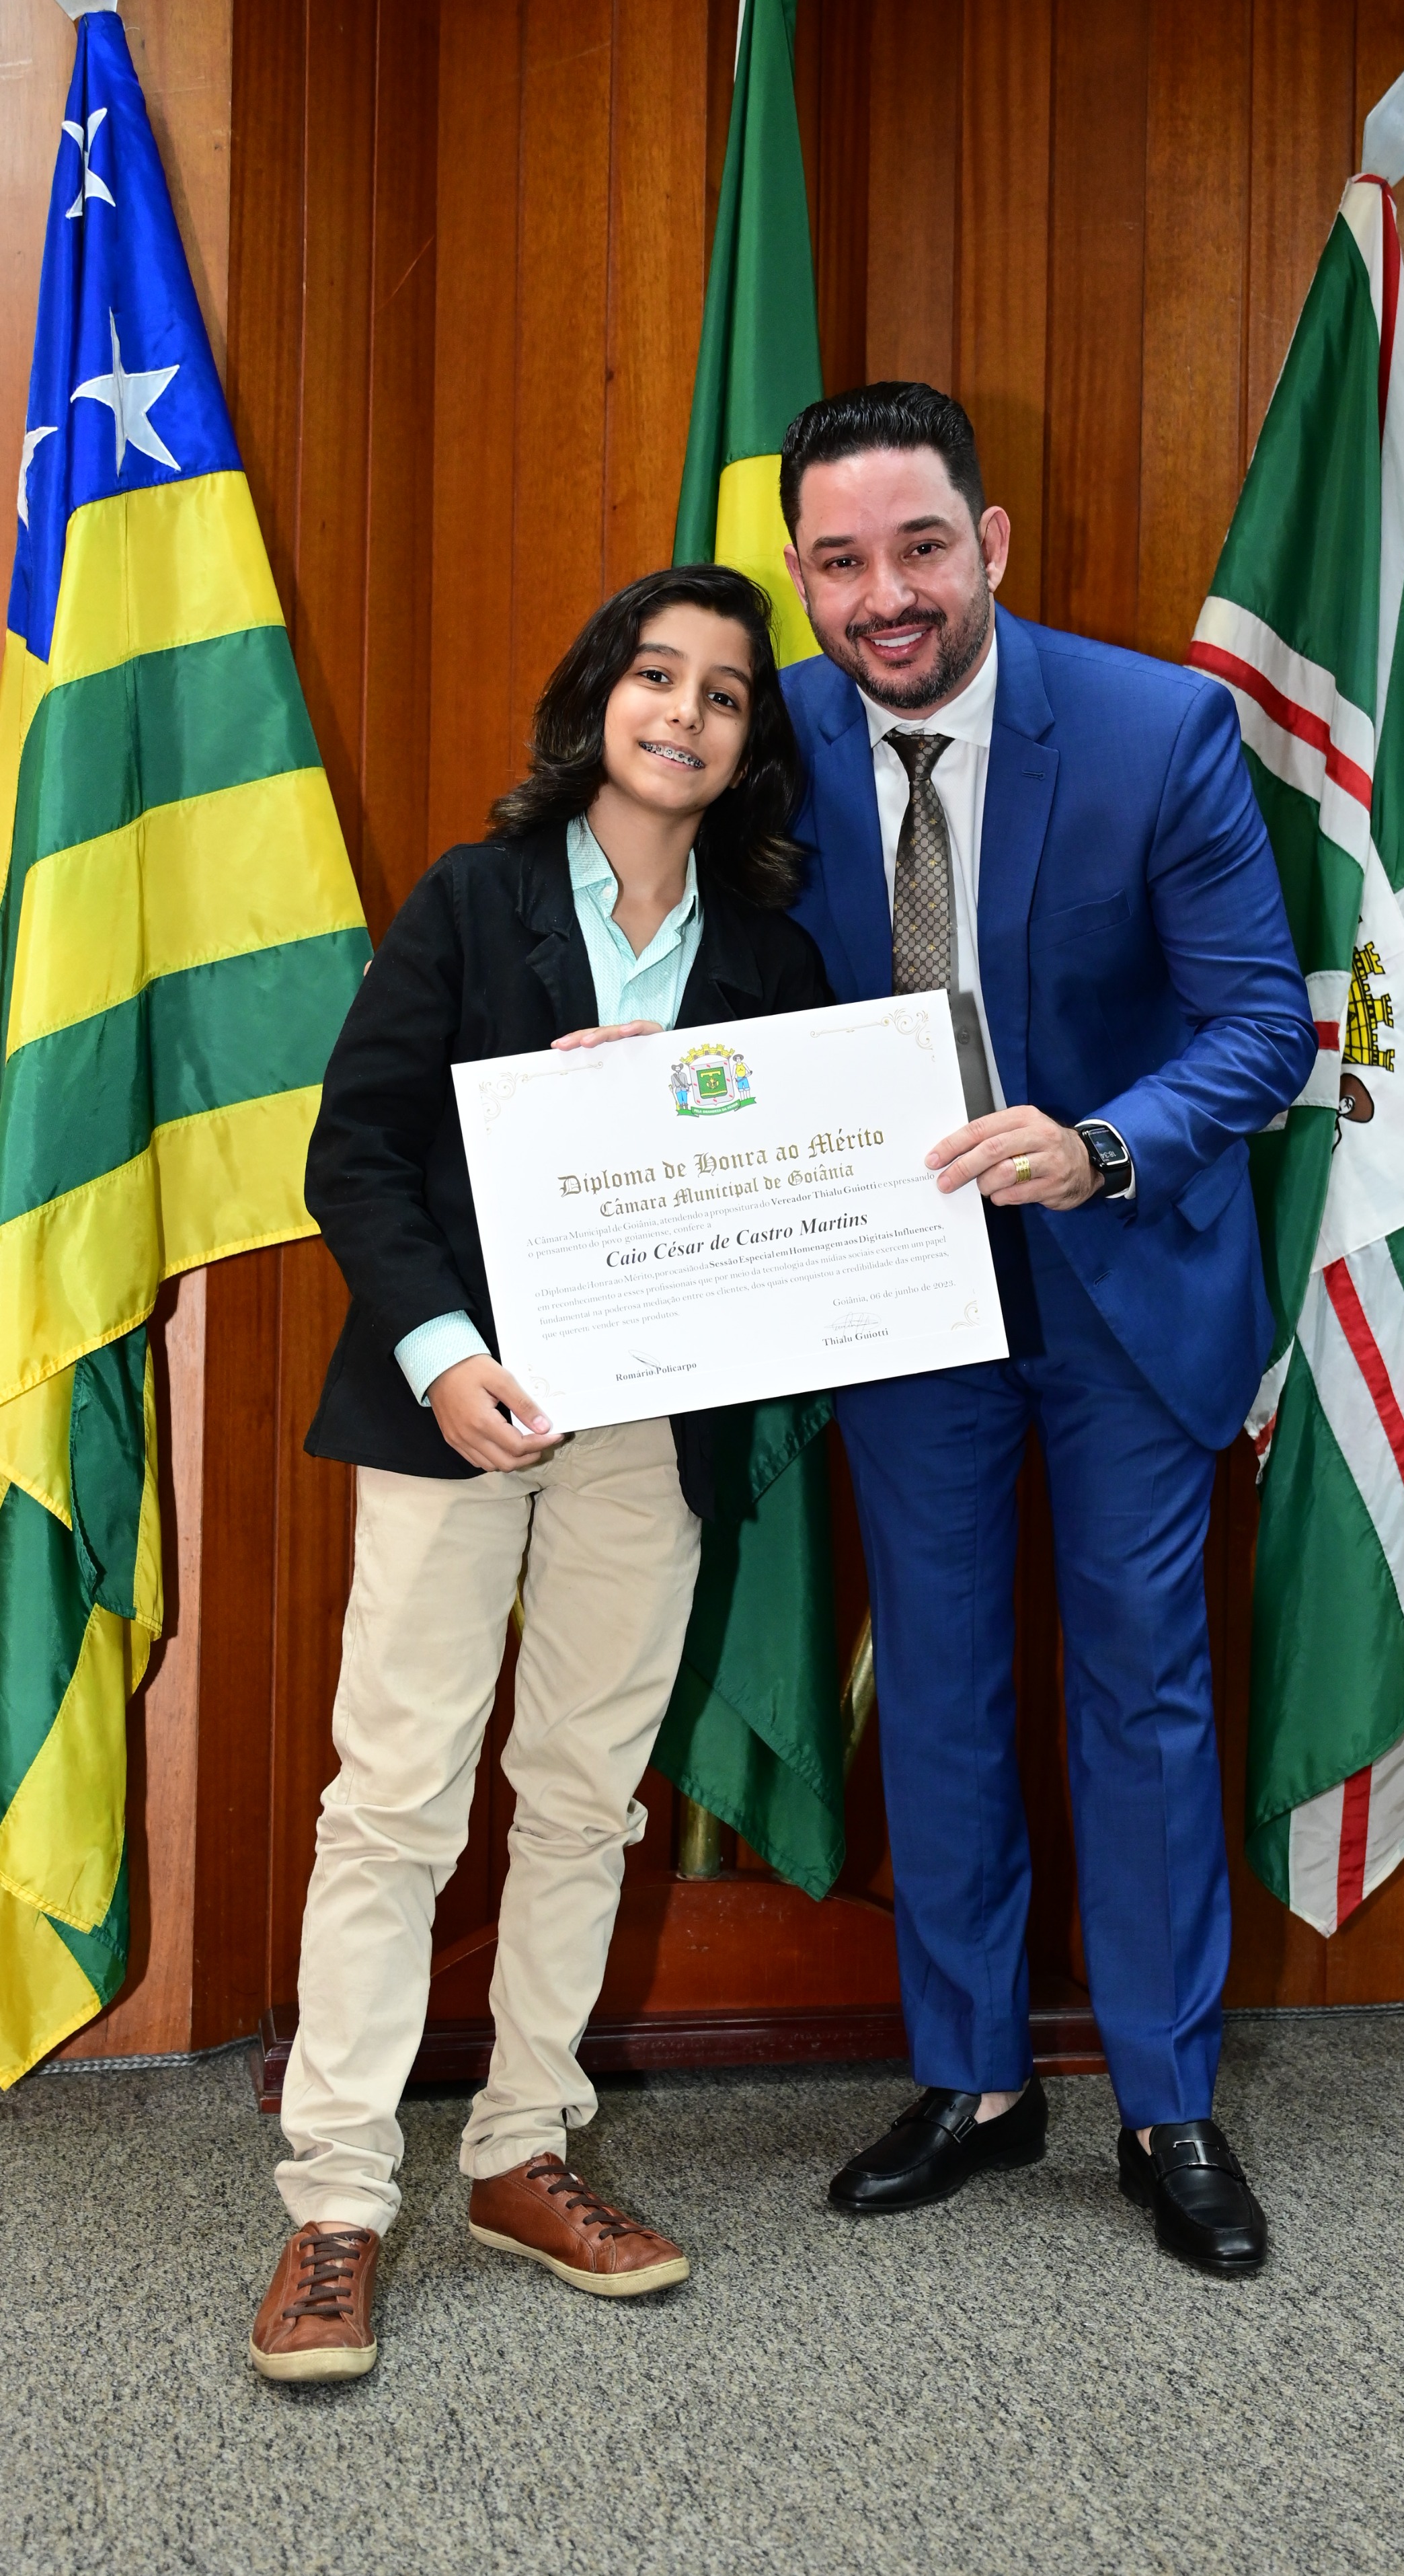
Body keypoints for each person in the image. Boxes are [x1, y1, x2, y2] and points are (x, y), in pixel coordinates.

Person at [250, 568, 830, 2382]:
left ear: (749, 743)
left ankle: (519, 2149)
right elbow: (355, 1154)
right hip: (457, 1406)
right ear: (597, 701)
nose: (685, 713)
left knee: (585, 1798)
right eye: (656, 676)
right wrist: (443, 1352)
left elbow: (795, 1197)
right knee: (394, 1801)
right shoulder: (471, 897)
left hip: (649, 1430)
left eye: (724, 693)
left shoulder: (772, 957)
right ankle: (337, 2205)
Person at [777, 384, 1317, 2274]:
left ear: (989, 543)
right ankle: (975, 2081)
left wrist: (1100, 1147)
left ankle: (1167, 2104)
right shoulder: (764, 739)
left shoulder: (1158, 729)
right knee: (935, 1681)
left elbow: (1260, 1026)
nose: (886, 596)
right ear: (801, 578)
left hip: (1120, 1272)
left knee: (1141, 1682)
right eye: (841, 562)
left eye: (921, 547)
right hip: (893, 1283)